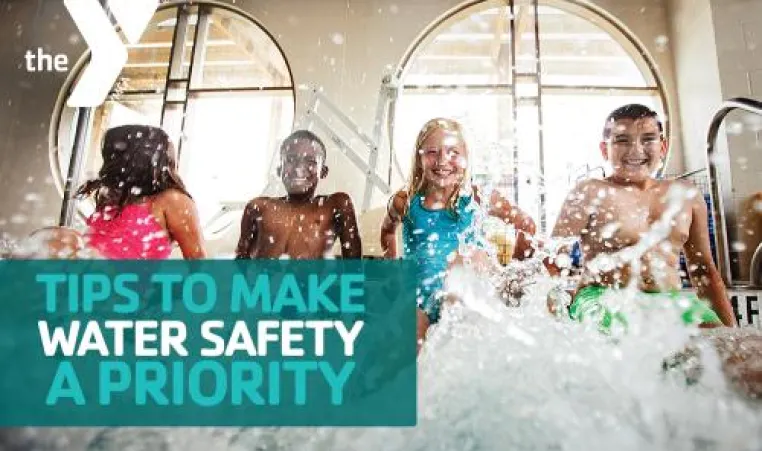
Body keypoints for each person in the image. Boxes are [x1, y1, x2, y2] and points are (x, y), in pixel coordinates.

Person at [548, 104, 736, 331]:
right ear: (604, 149)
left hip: (670, 301)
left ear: (663, 146)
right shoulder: (589, 192)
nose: (636, 150)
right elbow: (552, 263)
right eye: (622, 140)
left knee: (740, 358)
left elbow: (704, 269)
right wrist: (554, 327)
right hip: (603, 299)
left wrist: (732, 333)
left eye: (648, 139)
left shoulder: (686, 195)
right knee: (629, 340)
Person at [380, 118, 537, 352]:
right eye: (432, 152)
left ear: (466, 158)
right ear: (419, 157)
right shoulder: (405, 201)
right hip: (422, 299)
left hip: (469, 291)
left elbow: (527, 225)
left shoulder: (478, 197)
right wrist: (393, 266)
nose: (443, 161)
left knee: (466, 258)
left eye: (453, 152)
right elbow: (387, 231)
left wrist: (513, 272)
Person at [75, 124, 207, 259]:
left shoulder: (172, 200)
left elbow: (198, 264)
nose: (109, 162)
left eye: (114, 155)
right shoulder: (115, 198)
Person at [235, 129, 362, 259]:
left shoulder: (336, 205)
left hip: (312, 280)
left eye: (311, 161)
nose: (298, 168)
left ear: (323, 171)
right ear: (280, 170)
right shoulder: (259, 207)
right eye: (290, 159)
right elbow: (241, 260)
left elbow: (353, 266)